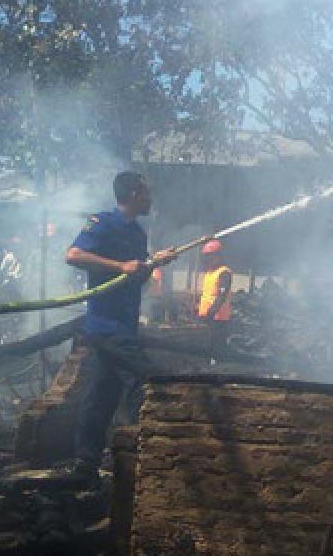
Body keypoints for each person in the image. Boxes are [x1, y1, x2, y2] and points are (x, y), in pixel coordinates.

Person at [66, 172, 178, 483]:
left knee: (102, 393)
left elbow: (136, 276)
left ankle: (85, 464)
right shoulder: (102, 223)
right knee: (144, 381)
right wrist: (120, 267)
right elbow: (73, 255)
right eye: (146, 193)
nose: (150, 198)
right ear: (131, 194)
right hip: (105, 325)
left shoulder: (139, 234)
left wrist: (154, 263)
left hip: (124, 325)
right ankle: (144, 456)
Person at [195, 239, 233, 354]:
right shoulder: (210, 272)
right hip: (207, 315)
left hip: (218, 317)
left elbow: (222, 296)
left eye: (209, 256)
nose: (207, 260)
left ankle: (219, 365)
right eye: (205, 257)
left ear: (217, 256)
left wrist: (211, 312)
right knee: (207, 344)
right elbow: (208, 293)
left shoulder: (224, 272)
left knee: (217, 345)